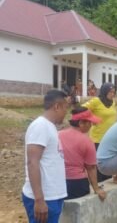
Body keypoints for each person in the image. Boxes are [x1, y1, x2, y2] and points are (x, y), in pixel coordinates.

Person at [22, 90, 68, 223]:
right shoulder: (40, 126)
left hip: (52, 196)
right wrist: (39, 199)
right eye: (65, 108)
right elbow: (32, 162)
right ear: (57, 106)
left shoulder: (50, 127)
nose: (66, 112)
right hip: (45, 198)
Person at [58, 107, 106, 201]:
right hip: (77, 183)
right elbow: (91, 168)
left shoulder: (58, 134)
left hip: (57, 180)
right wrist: (96, 188)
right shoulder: (87, 141)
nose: (91, 125)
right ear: (81, 123)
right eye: (89, 123)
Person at [82, 82, 117, 182]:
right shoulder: (96, 101)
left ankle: (107, 181)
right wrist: (92, 119)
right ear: (104, 91)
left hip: (110, 138)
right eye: (110, 92)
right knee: (98, 164)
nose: (112, 94)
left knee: (108, 162)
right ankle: (97, 184)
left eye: (114, 92)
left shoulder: (113, 102)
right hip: (97, 138)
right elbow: (82, 110)